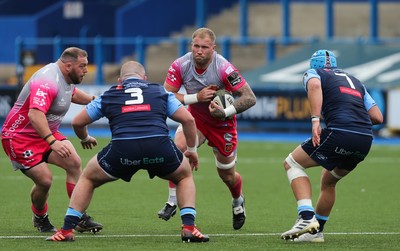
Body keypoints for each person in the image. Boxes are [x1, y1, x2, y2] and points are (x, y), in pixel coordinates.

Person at [46, 61, 209, 242]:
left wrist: (85, 138)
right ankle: (188, 228)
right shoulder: (160, 91)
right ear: (145, 79)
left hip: (123, 151)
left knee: (88, 178)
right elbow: (188, 121)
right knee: (184, 176)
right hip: (159, 148)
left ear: (120, 80)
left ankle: (67, 230)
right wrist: (192, 150)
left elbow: (77, 122)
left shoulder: (109, 94)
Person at [158, 27, 257, 230]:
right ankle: (171, 201)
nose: (199, 51)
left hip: (223, 125)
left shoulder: (224, 68)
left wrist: (226, 112)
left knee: (227, 176)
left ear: (213, 48)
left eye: (204, 47)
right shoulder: (180, 64)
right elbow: (165, 95)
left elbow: (249, 97)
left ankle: (238, 200)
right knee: (176, 150)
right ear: (191, 45)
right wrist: (195, 98)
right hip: (196, 119)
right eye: (196, 46)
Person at [280, 50, 383, 242]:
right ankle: (316, 232)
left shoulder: (314, 73)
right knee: (329, 181)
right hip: (364, 140)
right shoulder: (356, 82)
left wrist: (315, 120)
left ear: (313, 64)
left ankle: (306, 217)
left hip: (340, 133)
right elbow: (378, 117)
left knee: (292, 163)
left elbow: (315, 85)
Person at [1, 47, 103, 233]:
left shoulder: (66, 77)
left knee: (74, 162)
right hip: (19, 137)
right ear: (68, 65)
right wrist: (52, 141)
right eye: (82, 66)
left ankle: (79, 216)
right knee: (45, 181)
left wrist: (95, 100)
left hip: (45, 131)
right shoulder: (47, 81)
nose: (86, 70)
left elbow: (71, 93)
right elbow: (34, 113)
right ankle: (40, 218)